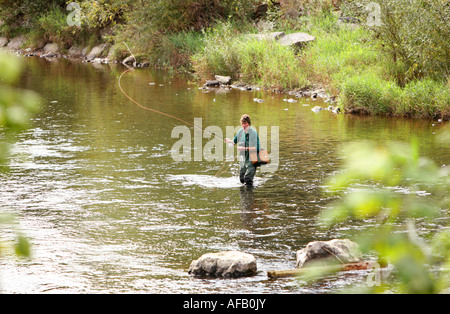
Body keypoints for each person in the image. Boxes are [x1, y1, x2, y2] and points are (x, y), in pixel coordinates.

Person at [225, 114, 260, 186]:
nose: (243, 125)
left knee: (248, 180)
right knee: (241, 179)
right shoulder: (240, 132)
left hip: (252, 159)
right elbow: (234, 142)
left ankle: (250, 196)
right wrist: (229, 141)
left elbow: (256, 148)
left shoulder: (253, 133)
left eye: (245, 123)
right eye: (242, 123)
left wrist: (244, 148)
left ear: (249, 124)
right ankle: (244, 194)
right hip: (243, 159)